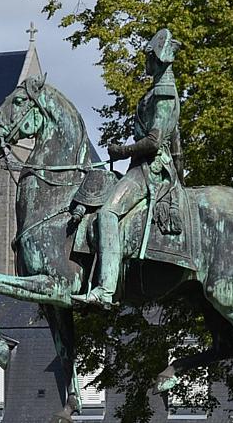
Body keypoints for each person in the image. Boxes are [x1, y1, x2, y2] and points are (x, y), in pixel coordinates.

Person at [73, 28, 182, 309]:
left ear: (158, 58)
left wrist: (121, 151)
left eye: (148, 56)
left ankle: (106, 289)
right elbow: (178, 141)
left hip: (148, 169)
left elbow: (156, 141)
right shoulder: (158, 91)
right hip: (144, 166)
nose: (144, 62)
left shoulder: (163, 93)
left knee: (108, 213)